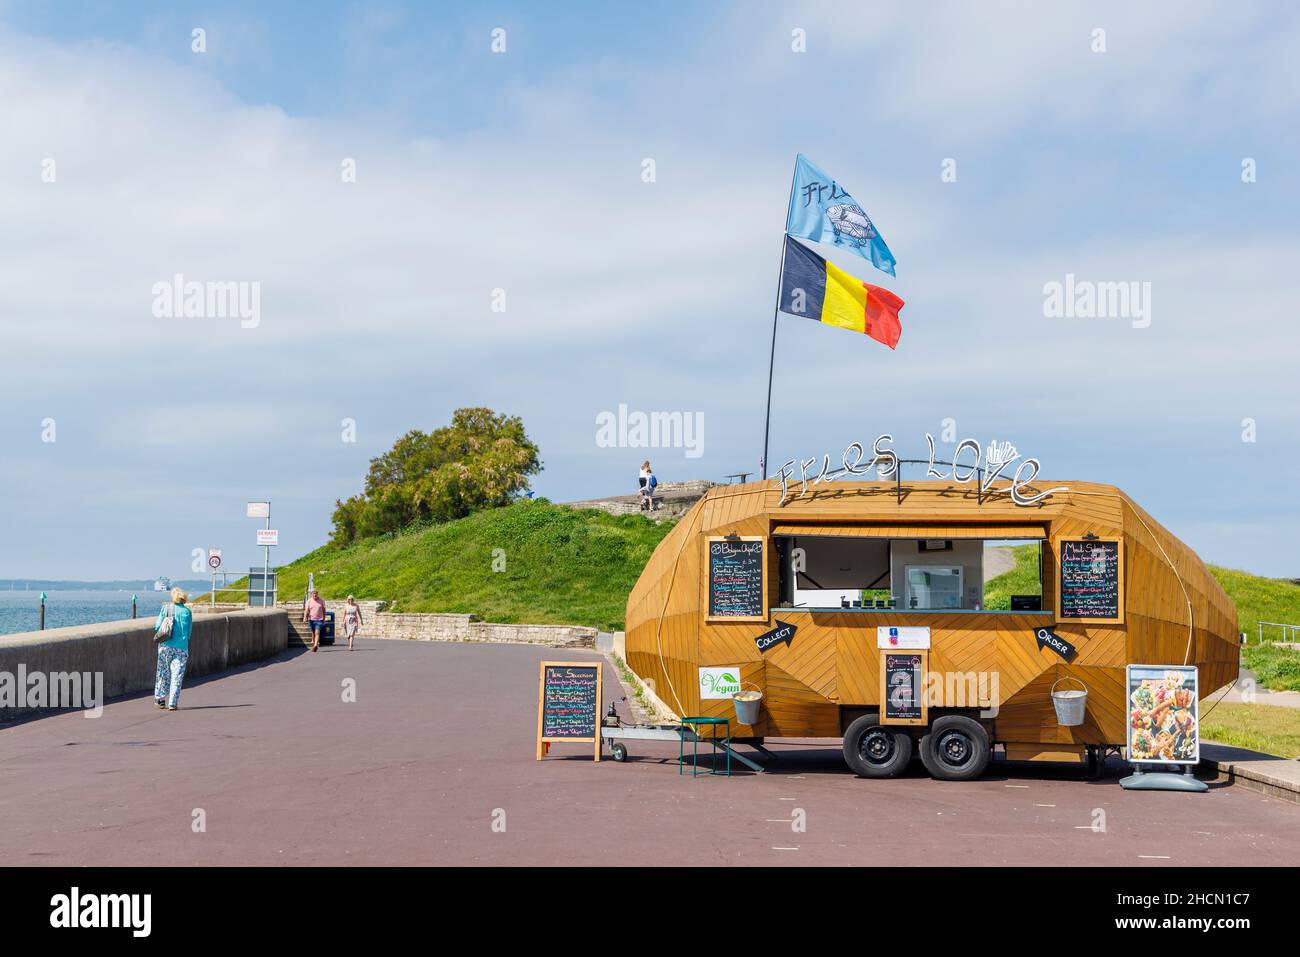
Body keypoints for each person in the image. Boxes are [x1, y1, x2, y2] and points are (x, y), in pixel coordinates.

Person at [154, 587, 194, 711]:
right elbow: (189, 633)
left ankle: (160, 699)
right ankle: (173, 702)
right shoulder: (187, 612)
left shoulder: (166, 608)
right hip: (182, 648)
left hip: (166, 646)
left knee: (163, 673)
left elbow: (157, 626)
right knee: (177, 675)